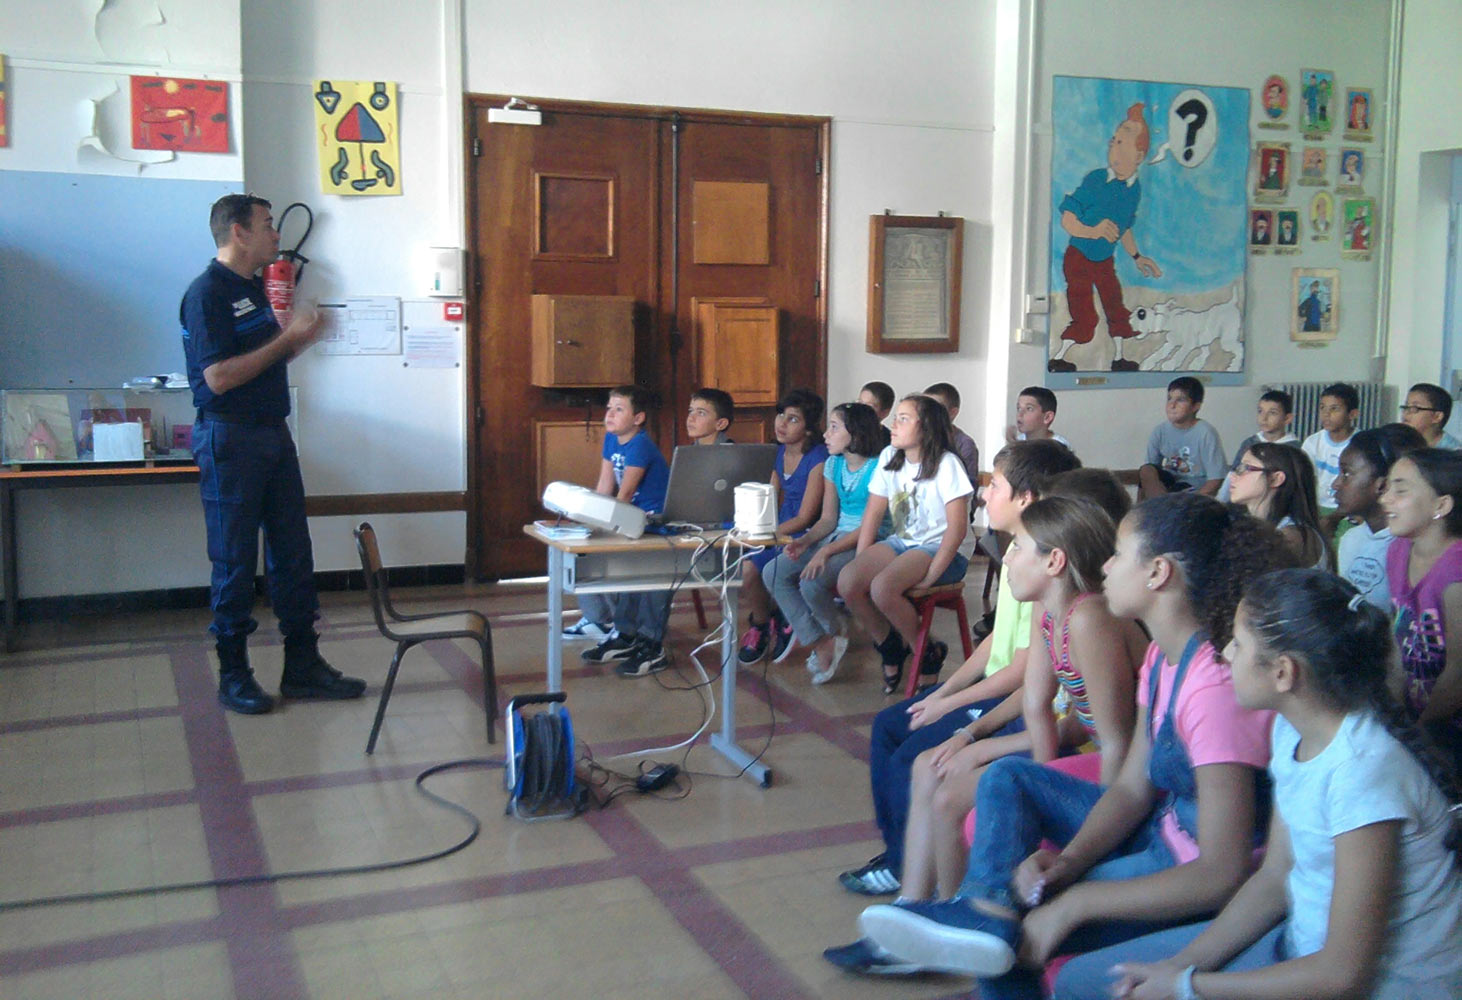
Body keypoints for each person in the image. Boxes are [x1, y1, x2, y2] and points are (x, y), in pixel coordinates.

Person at [853, 495, 1287, 999]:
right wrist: (1069, 863)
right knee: (1007, 782)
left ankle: (988, 926)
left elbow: (1221, 872)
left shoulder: (1211, 687)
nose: (1105, 566)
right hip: (1161, 834)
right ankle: (981, 911)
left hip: (1188, 874)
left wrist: (1079, 901)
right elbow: (1131, 789)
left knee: (1021, 936)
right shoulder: (1165, 659)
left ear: (1158, 573)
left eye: (1119, 555)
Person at [1067, 569, 1462, 1000]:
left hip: (1380, 987)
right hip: (1300, 948)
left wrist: (1187, 986)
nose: (1224, 653)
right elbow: (1274, 877)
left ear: (1283, 672)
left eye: (1238, 644)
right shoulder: (1293, 729)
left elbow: (1342, 975)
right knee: (1082, 981)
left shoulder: (1362, 772)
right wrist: (1179, 966)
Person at [837, 440, 1081, 898]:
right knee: (890, 724)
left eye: (996, 485)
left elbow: (1026, 671)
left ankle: (910, 870)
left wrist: (953, 705)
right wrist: (945, 691)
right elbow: (996, 640)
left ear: (1026, 498)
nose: (984, 494)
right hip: (999, 687)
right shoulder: (1018, 551)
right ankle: (898, 853)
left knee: (913, 756)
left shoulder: (1042, 564)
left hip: (1009, 697)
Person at [180, 193, 366, 715]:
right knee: (234, 560)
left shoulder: (253, 287)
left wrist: (302, 338)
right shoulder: (207, 293)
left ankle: (302, 666)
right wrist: (288, 342)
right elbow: (219, 377)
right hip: (230, 439)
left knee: (293, 553)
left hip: (271, 434)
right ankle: (234, 674)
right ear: (238, 232)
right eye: (266, 225)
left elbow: (262, 360)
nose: (276, 234)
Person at [838, 395, 972, 694]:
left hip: (942, 549)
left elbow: (957, 530)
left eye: (903, 419)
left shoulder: (947, 464)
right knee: (848, 581)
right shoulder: (889, 456)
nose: (893, 425)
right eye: (895, 417)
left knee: (883, 587)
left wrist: (932, 576)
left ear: (926, 427)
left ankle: (925, 651)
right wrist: (861, 560)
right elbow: (873, 514)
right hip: (903, 542)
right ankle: (888, 645)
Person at [765, 402, 887, 685]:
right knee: (773, 572)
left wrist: (826, 552)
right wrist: (805, 541)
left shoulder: (878, 468)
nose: (825, 435)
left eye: (834, 428)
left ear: (855, 433)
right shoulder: (834, 464)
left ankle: (832, 632)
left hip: (868, 540)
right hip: (835, 536)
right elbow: (828, 519)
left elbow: (870, 526)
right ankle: (822, 640)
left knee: (812, 581)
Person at [1048, 102, 1164, 374]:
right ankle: (1060, 357)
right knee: (1085, 314)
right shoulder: (1096, 180)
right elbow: (1068, 218)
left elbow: (1124, 228)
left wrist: (1137, 256)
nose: (1114, 147)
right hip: (1078, 257)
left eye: (1121, 143)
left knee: (1115, 307)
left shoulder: (1134, 190)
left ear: (1139, 155)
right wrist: (1093, 231)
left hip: (1104, 260)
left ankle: (1120, 359)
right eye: (1113, 141)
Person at [574, 385, 674, 676]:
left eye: (619, 409)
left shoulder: (640, 444)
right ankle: (625, 634)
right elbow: (605, 486)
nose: (610, 414)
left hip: (652, 520)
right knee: (621, 570)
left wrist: (607, 526)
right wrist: (588, 519)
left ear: (638, 418)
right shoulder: (611, 439)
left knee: (647, 574)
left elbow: (626, 492)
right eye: (609, 408)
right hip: (629, 518)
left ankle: (650, 643)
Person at [1384, 449, 1462, 771]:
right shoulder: (1398, 550)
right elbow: (1398, 638)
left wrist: (1419, 733)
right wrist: (1396, 718)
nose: (1385, 499)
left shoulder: (1456, 570)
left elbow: (1458, 674)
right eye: (1387, 488)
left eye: (1400, 490)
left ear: (1441, 506)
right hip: (1419, 718)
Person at [737, 388, 827, 664]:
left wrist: (768, 534)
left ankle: (779, 618)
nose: (781, 423)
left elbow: (806, 516)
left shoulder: (818, 458)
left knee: (760, 568)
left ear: (809, 428)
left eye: (793, 419)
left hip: (803, 533)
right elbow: (770, 498)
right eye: (780, 416)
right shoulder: (778, 453)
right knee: (746, 567)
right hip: (779, 526)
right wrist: (755, 527)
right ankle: (763, 623)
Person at [1331, 424, 1427, 609]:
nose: (1336, 484)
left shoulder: (1412, 548)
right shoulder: (1351, 538)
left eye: (1347, 473)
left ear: (1382, 485)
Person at [1226, 443, 1330, 569]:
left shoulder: (1293, 537)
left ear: (1276, 479)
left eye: (1245, 468)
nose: (1233, 476)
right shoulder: (1249, 524)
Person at [1138, 377, 1228, 499]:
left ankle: (1163, 506)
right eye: (1169, 399)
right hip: (1168, 486)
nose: (1172, 405)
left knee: (1177, 491)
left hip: (1193, 490)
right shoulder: (1160, 431)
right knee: (1146, 470)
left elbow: (1216, 479)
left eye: (1180, 400)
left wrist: (1194, 502)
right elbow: (1149, 473)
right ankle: (1156, 507)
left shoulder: (1206, 433)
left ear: (1195, 406)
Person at [1218, 390, 1297, 502]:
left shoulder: (1294, 449)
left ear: (1287, 418)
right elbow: (1233, 474)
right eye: (1260, 411)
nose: (1264, 418)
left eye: (1272, 413)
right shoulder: (1250, 443)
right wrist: (1220, 502)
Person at [1300, 382, 1358, 513]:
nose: (1326, 414)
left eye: (1334, 409)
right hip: (1316, 505)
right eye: (1322, 408)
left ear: (1352, 414)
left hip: (1348, 508)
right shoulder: (1312, 442)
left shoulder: (1360, 444)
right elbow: (1305, 479)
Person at [924, 382, 979, 487]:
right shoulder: (917, 437)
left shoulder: (964, 444)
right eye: (924, 407)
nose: (927, 413)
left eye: (934, 409)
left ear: (953, 412)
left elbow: (969, 486)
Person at [1400, 382, 1462, 449]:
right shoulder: (1398, 442)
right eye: (1406, 407)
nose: (1407, 412)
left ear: (1437, 417)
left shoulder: (1454, 451)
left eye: (1415, 408)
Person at [1005, 386, 1072, 447]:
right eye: (1019, 408)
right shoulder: (1020, 440)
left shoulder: (1059, 446)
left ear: (1047, 417)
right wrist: (1012, 445)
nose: (1020, 414)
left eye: (1029, 409)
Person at [860, 380, 895, 449]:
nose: (861, 409)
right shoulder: (847, 432)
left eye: (869, 406)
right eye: (859, 403)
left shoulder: (889, 443)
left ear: (885, 413)